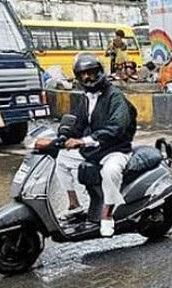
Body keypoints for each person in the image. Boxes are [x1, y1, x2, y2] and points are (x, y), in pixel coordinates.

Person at [35, 53, 137, 237]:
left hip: (115, 149)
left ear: (99, 72)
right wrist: (62, 137)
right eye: (82, 74)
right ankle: (74, 205)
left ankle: (107, 216)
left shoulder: (115, 96)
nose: (87, 77)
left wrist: (83, 141)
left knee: (110, 171)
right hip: (95, 148)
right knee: (62, 159)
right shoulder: (86, 97)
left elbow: (117, 127)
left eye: (90, 73)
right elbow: (77, 122)